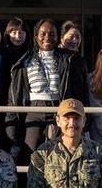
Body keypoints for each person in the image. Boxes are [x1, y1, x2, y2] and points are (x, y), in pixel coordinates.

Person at [6, 19, 89, 163]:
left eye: (52, 34)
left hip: (60, 109)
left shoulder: (69, 59)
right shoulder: (25, 60)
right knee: (31, 155)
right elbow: (15, 95)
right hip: (34, 111)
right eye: (43, 34)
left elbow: (80, 92)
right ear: (36, 36)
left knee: (60, 156)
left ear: (58, 37)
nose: (47, 38)